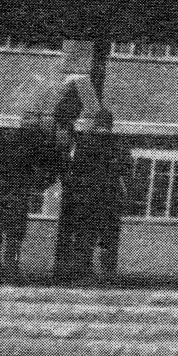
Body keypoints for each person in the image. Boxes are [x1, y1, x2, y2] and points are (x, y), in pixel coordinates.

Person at [55, 110, 129, 283]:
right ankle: (107, 275)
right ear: (110, 124)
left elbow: (75, 167)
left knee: (85, 237)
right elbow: (125, 168)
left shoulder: (84, 142)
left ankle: (83, 272)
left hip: (86, 198)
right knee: (109, 239)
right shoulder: (119, 143)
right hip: (109, 199)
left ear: (96, 123)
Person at [0, 117, 49, 283]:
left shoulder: (1, 142)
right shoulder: (31, 146)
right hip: (11, 196)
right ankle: (7, 271)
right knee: (11, 236)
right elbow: (40, 171)